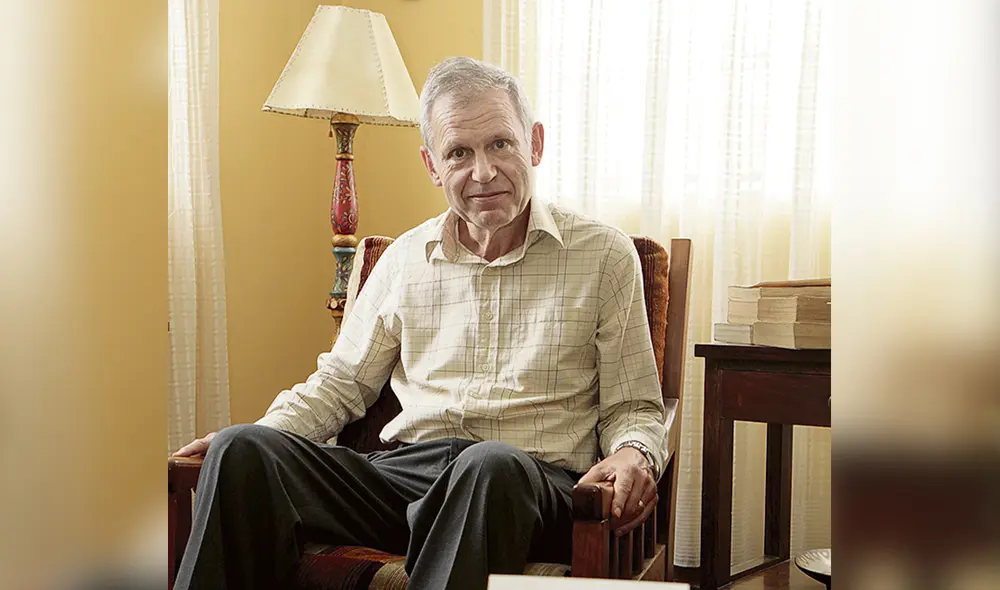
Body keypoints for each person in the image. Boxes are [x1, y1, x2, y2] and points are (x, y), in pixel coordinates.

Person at [172, 56, 667, 590]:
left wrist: (634, 452)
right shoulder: (405, 259)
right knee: (243, 450)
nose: (483, 172)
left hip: (527, 484)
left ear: (536, 144)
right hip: (406, 477)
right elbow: (340, 384)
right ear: (433, 165)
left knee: (488, 465)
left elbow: (633, 406)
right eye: (459, 152)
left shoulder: (605, 256)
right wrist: (260, 433)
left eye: (501, 144)